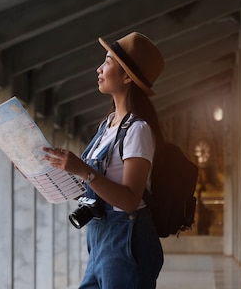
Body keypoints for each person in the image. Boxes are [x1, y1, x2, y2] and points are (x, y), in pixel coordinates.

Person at [43, 32, 165, 289]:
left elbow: (130, 200)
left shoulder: (137, 130)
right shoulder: (106, 126)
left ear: (127, 76)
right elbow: (95, 190)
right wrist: (39, 170)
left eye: (107, 62)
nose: (99, 68)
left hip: (125, 242)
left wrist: (84, 170)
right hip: (100, 241)